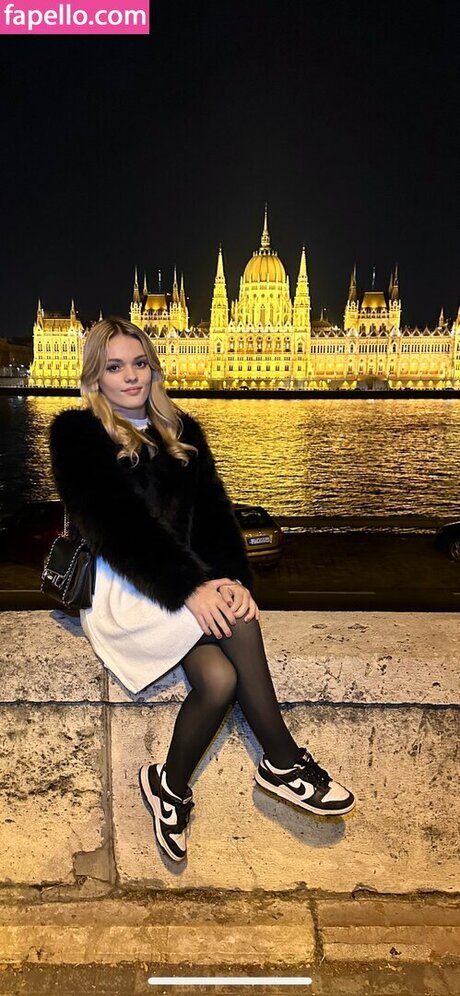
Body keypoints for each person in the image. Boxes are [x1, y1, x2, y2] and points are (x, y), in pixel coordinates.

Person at [50, 317, 355, 864]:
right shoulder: (77, 434)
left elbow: (214, 518)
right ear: (95, 376)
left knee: (218, 681)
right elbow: (120, 532)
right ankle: (282, 761)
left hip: (179, 579)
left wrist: (232, 579)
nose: (130, 376)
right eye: (115, 367)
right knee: (238, 623)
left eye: (139, 364)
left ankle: (167, 786)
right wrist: (192, 588)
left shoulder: (181, 429)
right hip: (127, 586)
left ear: (154, 369)